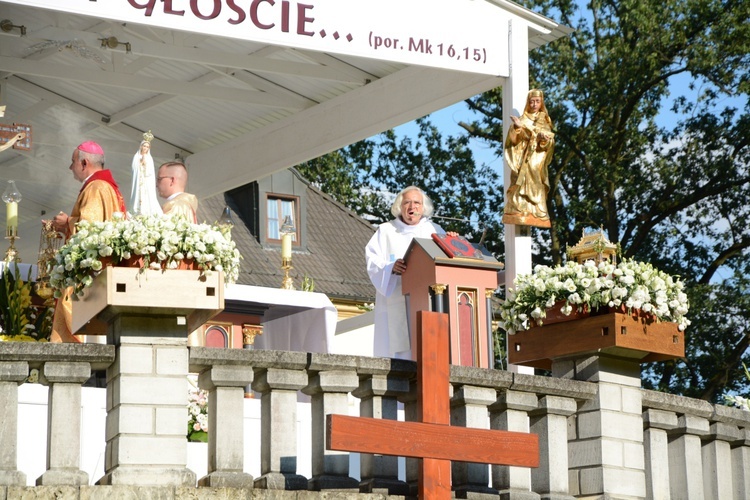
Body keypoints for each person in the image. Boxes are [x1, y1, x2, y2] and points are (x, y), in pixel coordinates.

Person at [50, 140, 127, 342]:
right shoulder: (106, 186)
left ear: (84, 163)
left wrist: (68, 222)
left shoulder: (96, 187)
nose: (70, 167)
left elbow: (90, 231)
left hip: (91, 274)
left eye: (73, 161)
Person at [365, 186, 454, 359]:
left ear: (423, 208)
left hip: (427, 298)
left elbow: (448, 260)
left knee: (425, 347)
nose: (412, 207)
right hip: (397, 297)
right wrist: (391, 267)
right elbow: (372, 261)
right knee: (399, 350)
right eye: (407, 202)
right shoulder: (386, 231)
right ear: (400, 206)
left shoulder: (434, 231)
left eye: (416, 203)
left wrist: (451, 241)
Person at [502, 89, 555, 228]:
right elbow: (513, 139)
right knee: (520, 180)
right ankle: (518, 208)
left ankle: (537, 212)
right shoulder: (524, 119)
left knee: (535, 177)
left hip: (537, 157)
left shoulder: (545, 119)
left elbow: (550, 142)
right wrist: (517, 128)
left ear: (541, 102)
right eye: (532, 101)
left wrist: (544, 140)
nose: (534, 104)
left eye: (537, 101)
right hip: (523, 156)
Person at [129, 131, 163, 216]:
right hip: (139, 181)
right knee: (138, 195)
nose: (145, 148)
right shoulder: (136, 156)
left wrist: (145, 164)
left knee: (147, 196)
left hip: (146, 181)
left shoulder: (149, 158)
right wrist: (140, 164)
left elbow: (150, 172)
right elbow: (134, 168)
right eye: (144, 146)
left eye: (147, 147)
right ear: (141, 146)